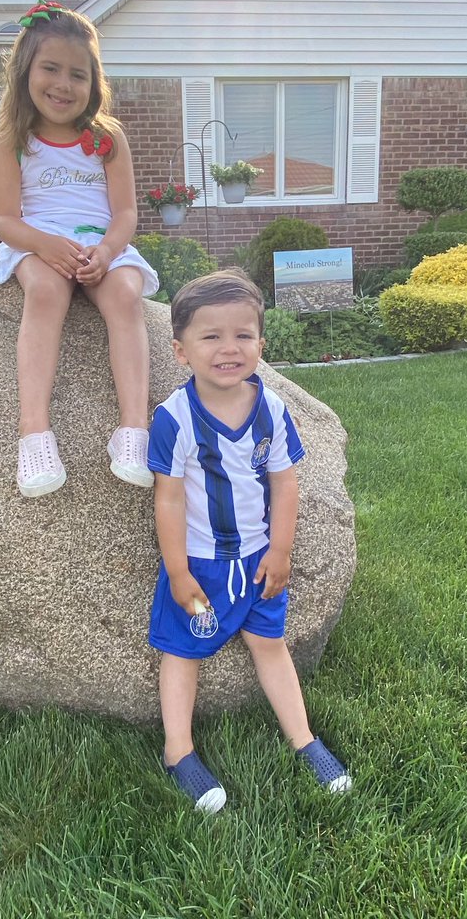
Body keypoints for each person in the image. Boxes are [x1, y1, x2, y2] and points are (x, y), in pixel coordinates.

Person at [148, 268, 351, 812]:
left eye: (243, 335)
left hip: (260, 560)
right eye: (210, 336)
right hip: (200, 566)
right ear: (181, 350)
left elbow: (285, 483)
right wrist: (177, 571)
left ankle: (303, 739)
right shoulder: (173, 418)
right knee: (183, 652)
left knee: (270, 644)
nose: (228, 348)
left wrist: (280, 551)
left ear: (262, 343)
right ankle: (178, 749)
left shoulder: (273, 409)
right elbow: (167, 498)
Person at [0, 0, 158, 498]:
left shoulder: (107, 138)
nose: (63, 84)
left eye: (77, 74)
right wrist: (45, 246)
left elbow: (125, 214)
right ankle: (34, 433)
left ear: (94, 81)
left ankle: (133, 431)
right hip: (37, 241)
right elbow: (5, 219)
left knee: (126, 295)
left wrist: (106, 250)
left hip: (99, 243)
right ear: (25, 72)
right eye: (50, 68)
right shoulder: (11, 140)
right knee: (45, 294)